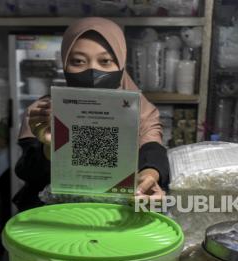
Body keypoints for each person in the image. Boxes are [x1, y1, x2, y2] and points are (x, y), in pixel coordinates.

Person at [14, 17, 169, 211]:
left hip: (118, 217)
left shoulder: (141, 110)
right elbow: (28, 171)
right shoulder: (43, 113)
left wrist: (149, 175)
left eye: (105, 61)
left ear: (121, 63)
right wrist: (49, 148)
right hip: (56, 219)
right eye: (78, 61)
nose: (92, 71)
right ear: (64, 63)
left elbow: (152, 149)